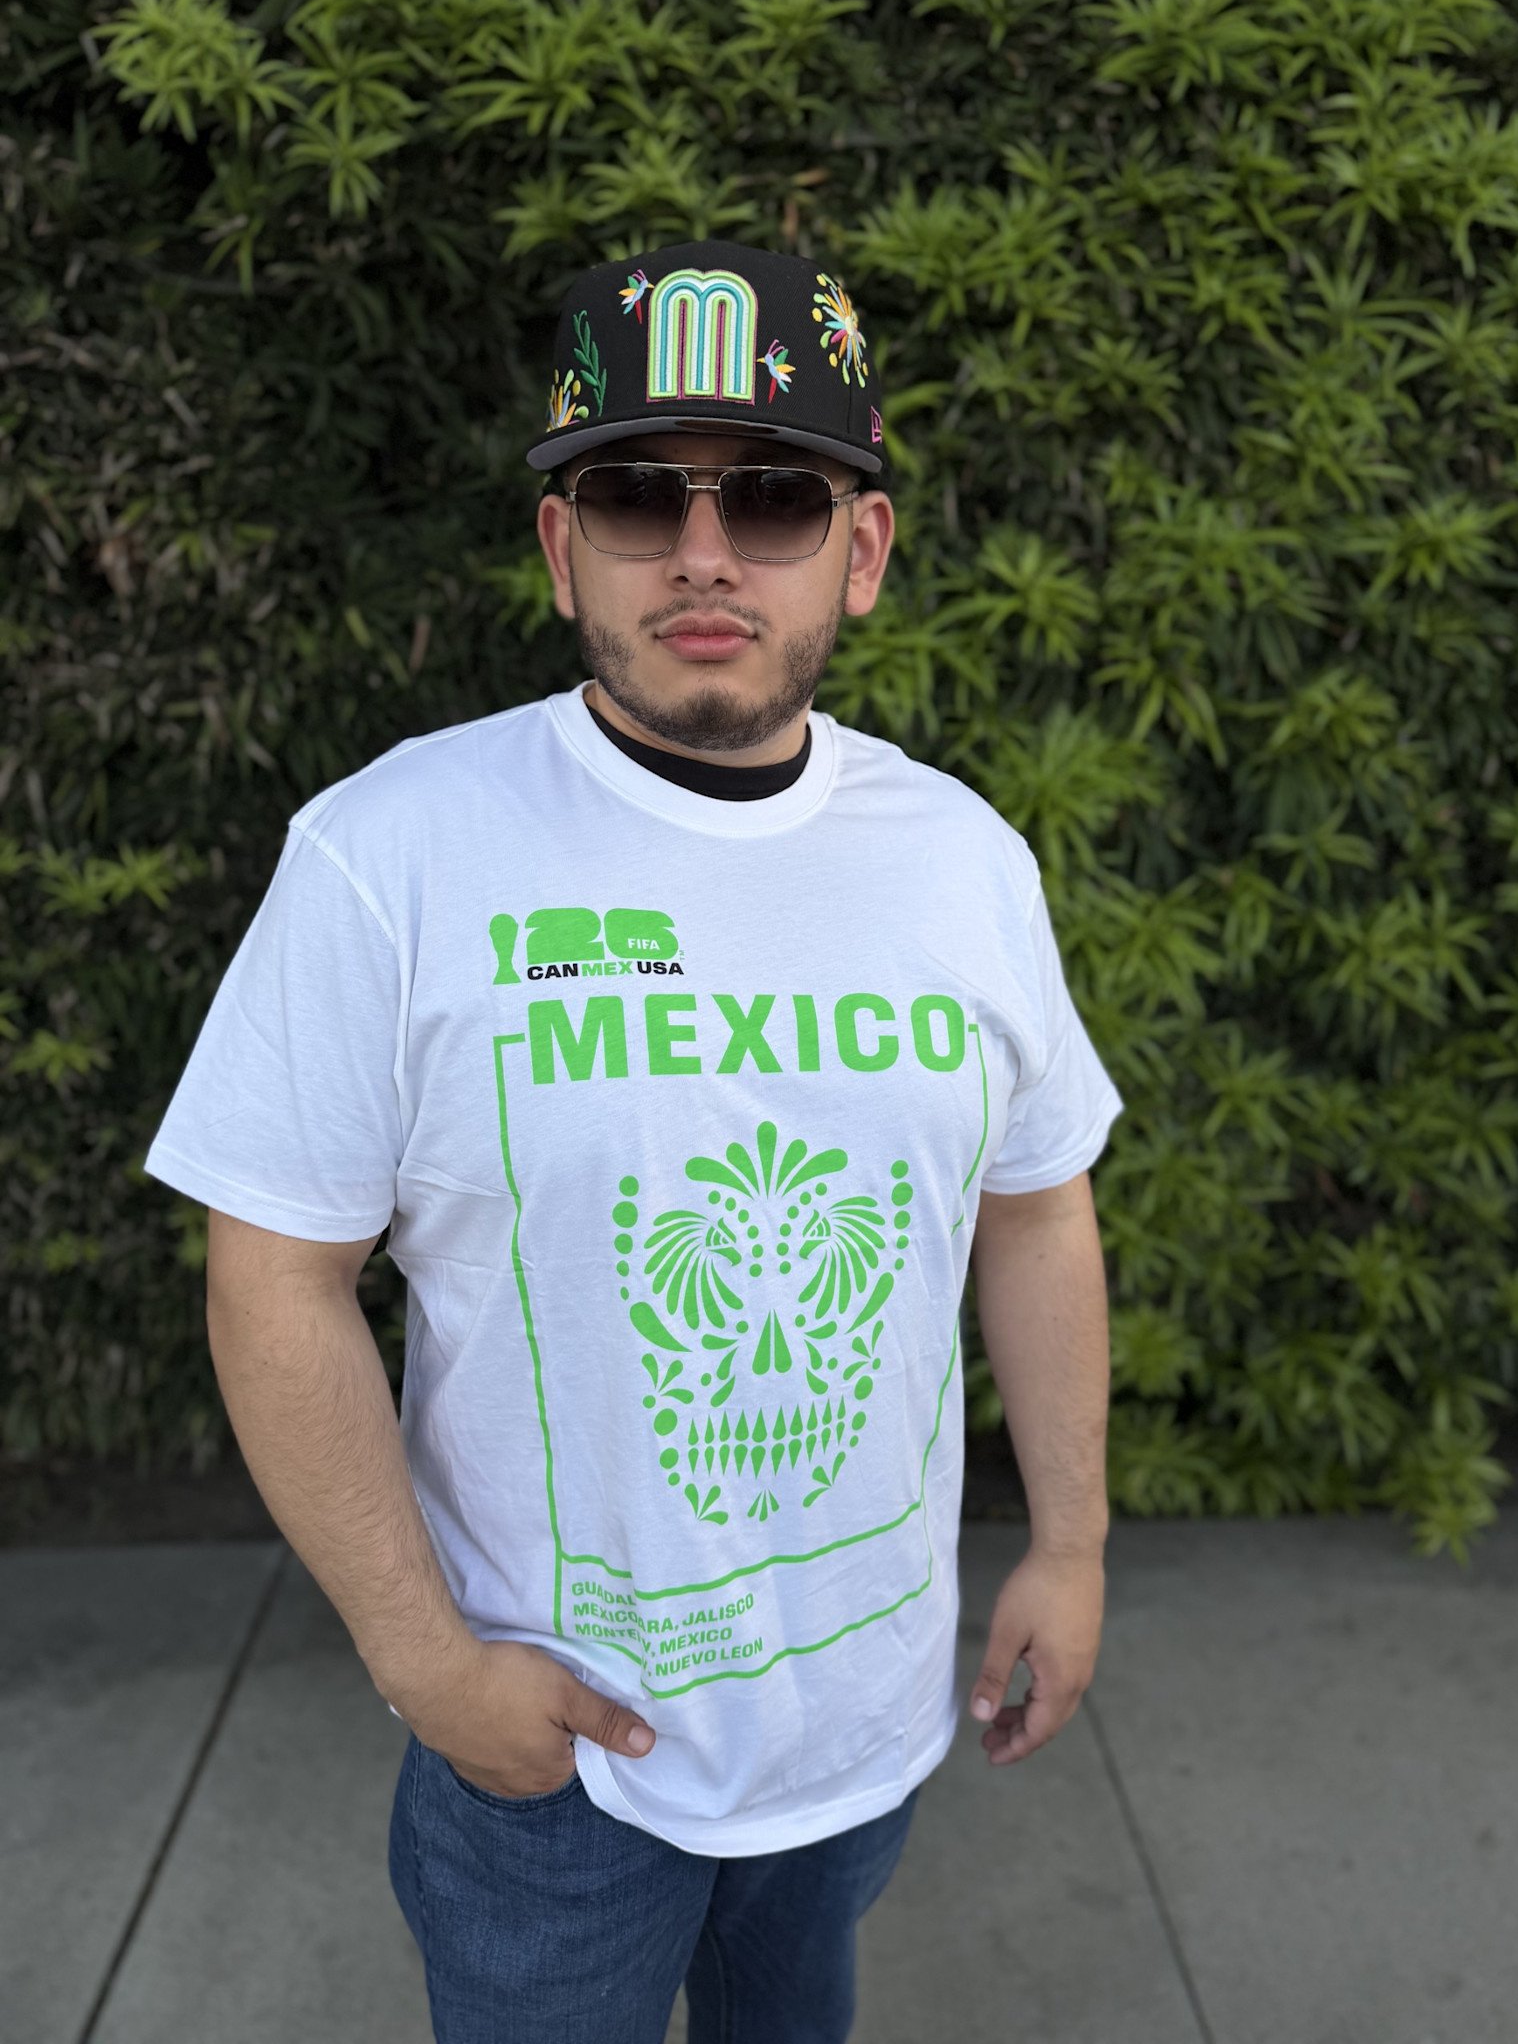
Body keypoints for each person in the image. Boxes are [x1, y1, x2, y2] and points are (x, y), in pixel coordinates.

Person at [143, 237, 1125, 2043]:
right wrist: (427, 1665)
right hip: (556, 1765)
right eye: (633, 496)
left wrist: (1071, 1545)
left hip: (864, 1724)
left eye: (774, 498)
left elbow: (1038, 1207)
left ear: (863, 550)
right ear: (559, 546)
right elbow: (273, 1275)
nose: (701, 552)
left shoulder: (964, 861)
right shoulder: (391, 855)